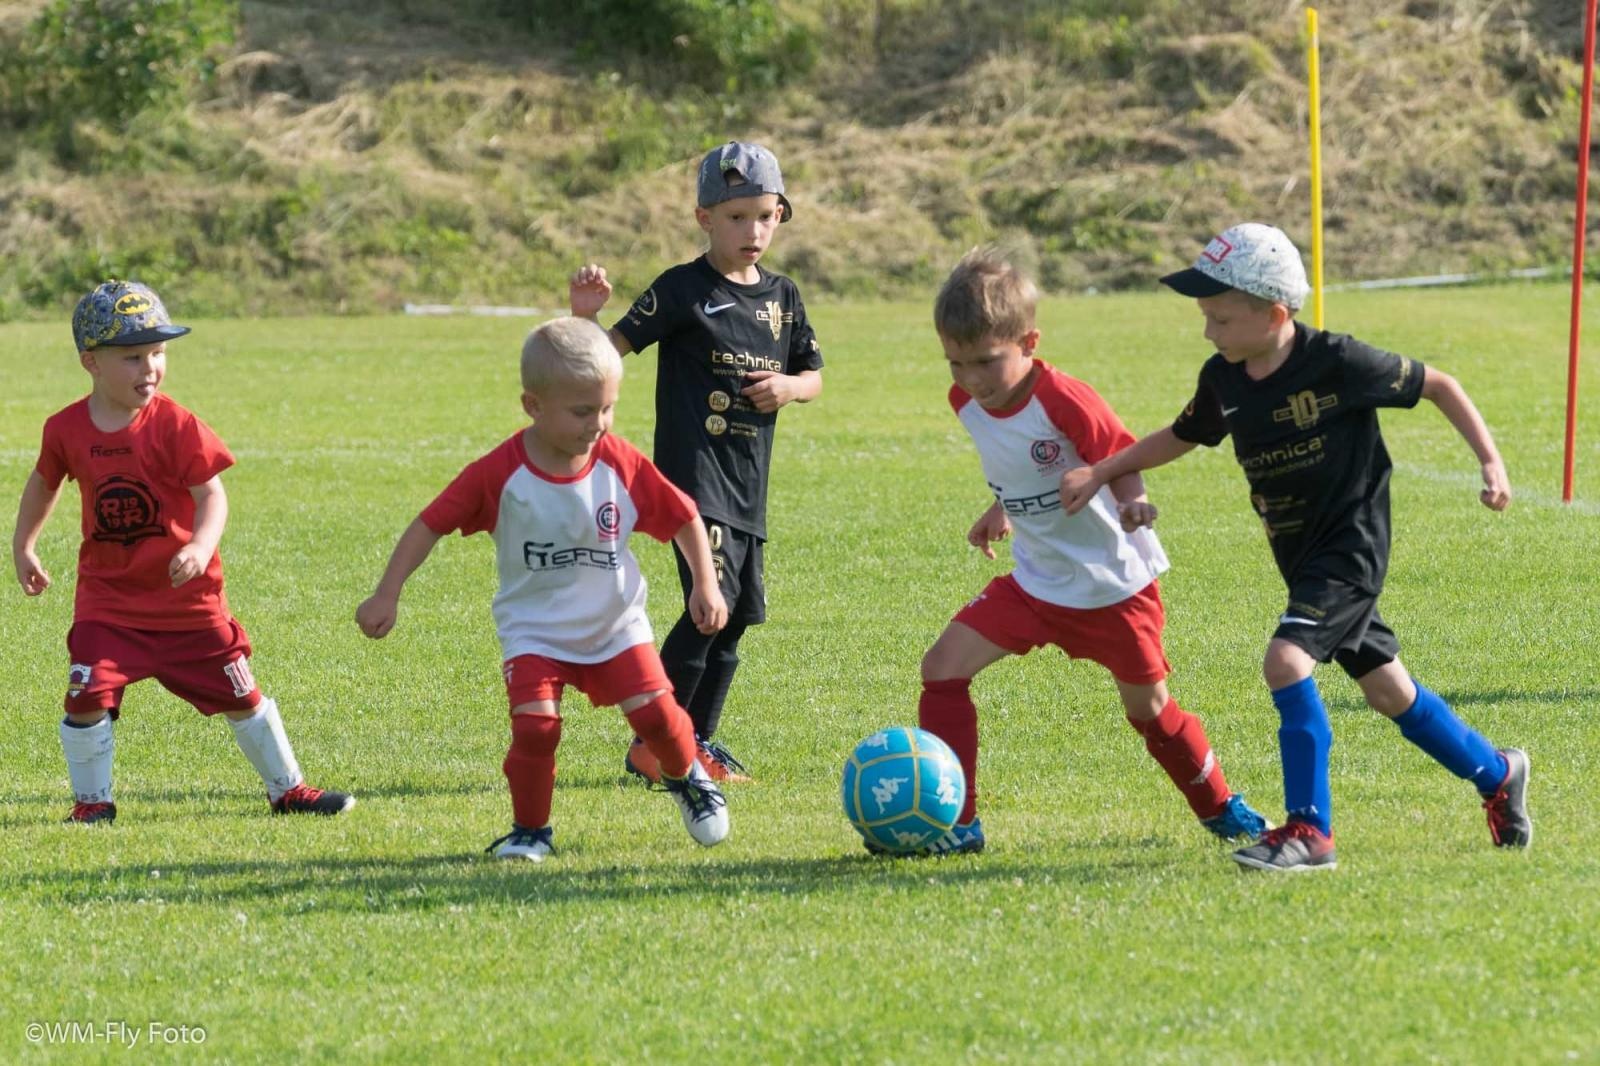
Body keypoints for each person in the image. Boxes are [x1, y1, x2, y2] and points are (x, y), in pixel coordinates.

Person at [1061, 222, 1530, 872]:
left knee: (1286, 661)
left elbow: (1440, 386)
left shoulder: (1337, 361)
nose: (1208, 332)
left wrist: (1491, 464)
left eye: (1220, 318)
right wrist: (1105, 472)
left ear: (1273, 313)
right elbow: (1183, 434)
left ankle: (1311, 833)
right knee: (1388, 690)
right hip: (1299, 554)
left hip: (1351, 547)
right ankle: (1497, 773)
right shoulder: (1223, 378)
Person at [904, 248, 1271, 857]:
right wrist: (1001, 507)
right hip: (1036, 583)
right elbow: (1014, 460)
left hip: (1112, 587)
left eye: (986, 362)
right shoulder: (964, 400)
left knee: (1150, 711)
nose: (971, 379)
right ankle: (957, 823)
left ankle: (1219, 806)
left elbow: (1120, 454)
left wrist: (1132, 501)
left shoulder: (1066, 398)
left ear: (1029, 342)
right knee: (941, 668)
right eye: (956, 362)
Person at [355, 316, 731, 861]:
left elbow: (682, 516)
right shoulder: (499, 473)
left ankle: (686, 774)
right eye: (582, 411)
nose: (597, 423)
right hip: (534, 630)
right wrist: (387, 592)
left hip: (615, 624)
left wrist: (706, 583)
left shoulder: (620, 463)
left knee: (654, 717)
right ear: (533, 406)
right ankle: (531, 831)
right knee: (535, 728)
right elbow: (430, 523)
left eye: (607, 408)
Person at [11, 280, 354, 824]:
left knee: (243, 697)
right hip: (109, 604)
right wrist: (23, 545)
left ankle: (288, 790)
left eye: (158, 353)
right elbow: (45, 482)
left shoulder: (176, 424)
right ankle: (92, 804)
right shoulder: (66, 428)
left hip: (186, 604)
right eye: (132, 357)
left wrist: (199, 544)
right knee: (84, 696)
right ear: (90, 362)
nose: (150, 367)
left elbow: (211, 494)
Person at [568, 140, 823, 784]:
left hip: (748, 483)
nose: (753, 231)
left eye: (765, 216)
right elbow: (610, 351)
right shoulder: (682, 290)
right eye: (737, 217)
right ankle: (655, 744)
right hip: (693, 479)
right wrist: (585, 318)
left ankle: (693, 741)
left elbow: (812, 376)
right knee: (713, 603)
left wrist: (789, 388)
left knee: (735, 617)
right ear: (705, 218)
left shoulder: (783, 297)